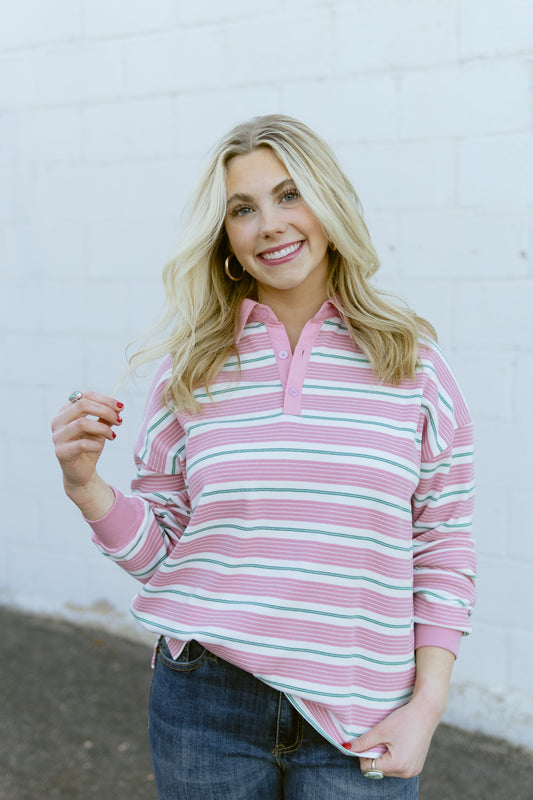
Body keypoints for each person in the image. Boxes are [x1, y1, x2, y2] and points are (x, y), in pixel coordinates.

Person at [52, 114, 476, 799]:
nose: (269, 224)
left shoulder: (413, 366)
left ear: (329, 204)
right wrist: (84, 486)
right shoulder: (189, 371)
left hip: (361, 713)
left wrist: (426, 705)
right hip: (207, 704)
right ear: (225, 239)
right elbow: (168, 557)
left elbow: (443, 547)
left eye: (289, 195)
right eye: (242, 210)